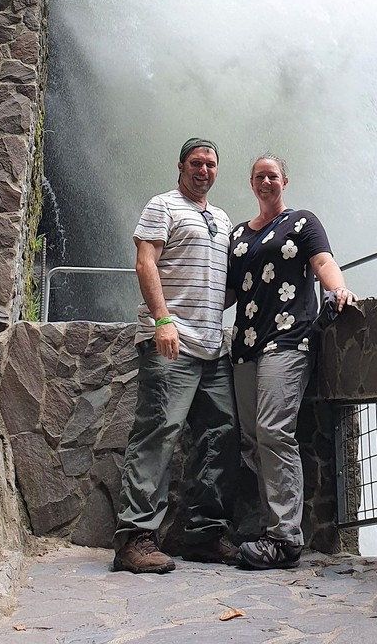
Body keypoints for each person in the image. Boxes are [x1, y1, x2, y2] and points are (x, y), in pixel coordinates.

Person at [113, 138, 240, 574]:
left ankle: (203, 534)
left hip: (211, 346)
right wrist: (162, 321)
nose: (203, 170)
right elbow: (145, 263)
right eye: (196, 163)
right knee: (158, 432)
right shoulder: (162, 206)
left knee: (220, 434)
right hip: (170, 340)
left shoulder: (221, 219)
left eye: (210, 164)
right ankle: (135, 539)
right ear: (181, 166)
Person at [228, 155, 357, 570]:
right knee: (251, 438)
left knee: (273, 430)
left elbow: (321, 262)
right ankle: (272, 529)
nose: (266, 182)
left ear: (285, 180)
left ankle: (285, 538)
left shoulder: (302, 222)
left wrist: (339, 289)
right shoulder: (238, 235)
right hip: (245, 345)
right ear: (251, 183)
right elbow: (228, 292)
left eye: (273, 175)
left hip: (287, 338)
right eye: (259, 176)